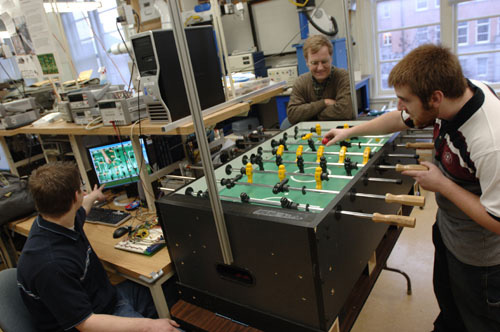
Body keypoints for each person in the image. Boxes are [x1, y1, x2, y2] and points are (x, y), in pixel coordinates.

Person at [323, 44, 500, 332]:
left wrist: (442, 184)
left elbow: (497, 221)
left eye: (404, 100)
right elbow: (401, 119)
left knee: (478, 320)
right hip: (449, 231)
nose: (399, 107)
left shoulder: (491, 142)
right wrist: (350, 130)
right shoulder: (453, 96)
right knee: (450, 309)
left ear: (435, 98)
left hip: (480, 260)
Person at [17, 162, 180, 332]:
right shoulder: (51, 265)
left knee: (172, 286)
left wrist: (94, 195)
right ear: (75, 198)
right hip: (96, 320)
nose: (84, 192)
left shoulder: (54, 219)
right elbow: (86, 324)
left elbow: (83, 208)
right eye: (82, 188)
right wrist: (149, 326)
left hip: (107, 298)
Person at [281, 34, 353, 129]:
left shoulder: (342, 77)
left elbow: (345, 111)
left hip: (337, 131)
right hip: (310, 133)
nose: (320, 68)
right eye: (314, 63)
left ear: (331, 58)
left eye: (324, 62)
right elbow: (293, 115)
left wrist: (309, 115)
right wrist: (324, 103)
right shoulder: (301, 81)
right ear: (307, 61)